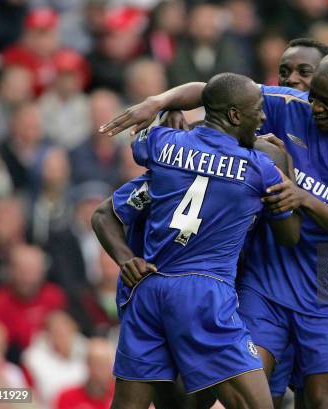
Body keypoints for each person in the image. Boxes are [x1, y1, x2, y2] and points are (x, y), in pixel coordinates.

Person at [100, 50, 328, 409]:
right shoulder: (284, 118)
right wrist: (160, 100)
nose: (313, 104)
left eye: (324, 98)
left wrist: (301, 196)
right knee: (252, 392)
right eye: (312, 94)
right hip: (264, 279)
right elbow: (213, 91)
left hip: (327, 286)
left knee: (324, 399)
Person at [95, 73, 301, 409]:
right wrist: (285, 167)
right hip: (204, 293)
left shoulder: (162, 145)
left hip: (147, 288)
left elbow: (110, 203)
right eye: (257, 111)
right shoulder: (259, 168)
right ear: (235, 116)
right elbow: (290, 235)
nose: (263, 119)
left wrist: (162, 108)